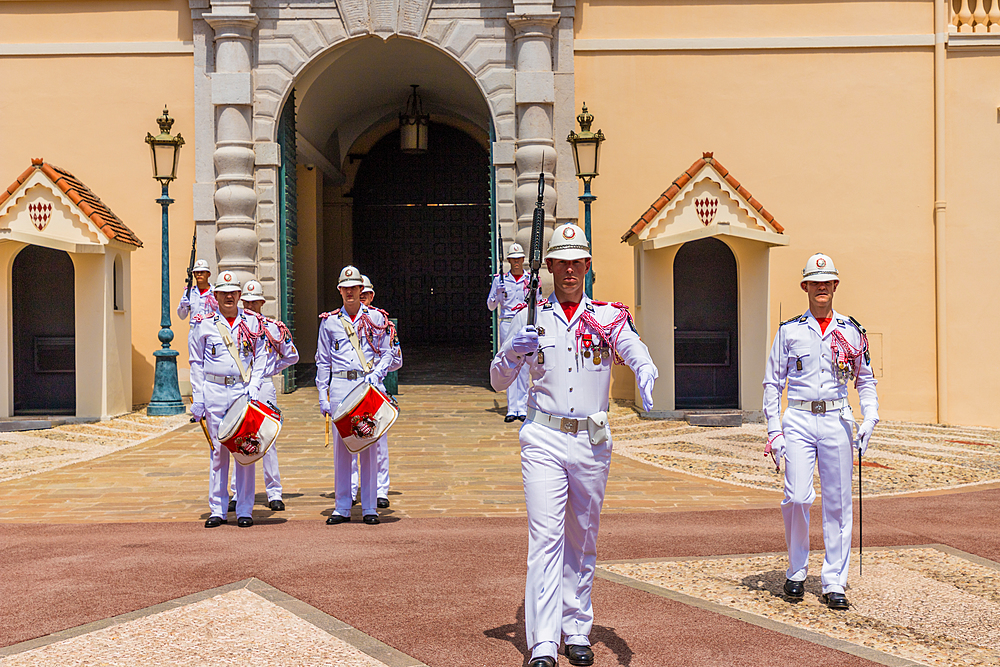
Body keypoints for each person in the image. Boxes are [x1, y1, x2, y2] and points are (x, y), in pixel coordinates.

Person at [490, 224, 658, 667]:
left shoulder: (607, 317)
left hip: (590, 439)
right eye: (560, 262)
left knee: (582, 538)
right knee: (546, 537)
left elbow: (632, 345)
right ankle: (543, 641)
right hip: (543, 435)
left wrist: (644, 367)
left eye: (576, 262)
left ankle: (576, 626)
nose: (569, 270)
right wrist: (512, 352)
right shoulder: (532, 319)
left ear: (587, 267)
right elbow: (497, 379)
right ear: (548, 268)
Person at [762, 253, 878, 610]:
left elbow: (866, 380)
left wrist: (870, 415)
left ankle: (834, 581)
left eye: (827, 282)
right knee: (797, 497)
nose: (822, 287)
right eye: (815, 282)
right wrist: (774, 430)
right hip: (797, 418)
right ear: (805, 287)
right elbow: (772, 383)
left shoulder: (851, 331)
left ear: (835, 286)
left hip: (837, 419)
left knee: (839, 503)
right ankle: (796, 570)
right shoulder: (789, 330)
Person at [316, 265, 396, 525]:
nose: (350, 292)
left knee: (369, 447)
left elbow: (388, 352)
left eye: (354, 288)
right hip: (340, 386)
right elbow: (323, 361)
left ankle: (370, 506)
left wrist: (378, 374)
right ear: (339, 290)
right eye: (345, 288)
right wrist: (322, 393)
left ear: (361, 290)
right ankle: (342, 506)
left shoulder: (376, 319)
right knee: (342, 450)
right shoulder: (329, 322)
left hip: (366, 385)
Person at [189, 271, 268, 528]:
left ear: (239, 295)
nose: (229, 297)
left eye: (233, 293)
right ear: (216, 295)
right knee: (218, 452)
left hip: (241, 392)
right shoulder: (204, 324)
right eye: (224, 293)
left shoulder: (253, 323)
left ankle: (244, 508)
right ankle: (218, 509)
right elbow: (196, 362)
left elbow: (262, 357)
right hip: (213, 391)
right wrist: (198, 397)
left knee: (245, 450)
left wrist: (255, 386)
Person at [227, 279, 299, 512]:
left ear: (261, 303)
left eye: (254, 302)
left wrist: (271, 369)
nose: (249, 307)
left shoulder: (272, 327)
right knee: (238, 436)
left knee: (268, 439)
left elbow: (292, 356)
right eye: (246, 302)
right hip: (240, 385)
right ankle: (237, 492)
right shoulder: (233, 327)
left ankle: (274, 491)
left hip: (264, 386)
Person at [349, 275, 402, 509]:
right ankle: (350, 489)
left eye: (365, 294)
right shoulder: (342, 320)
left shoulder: (382, 322)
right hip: (351, 388)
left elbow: (397, 358)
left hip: (374, 388)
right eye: (359, 294)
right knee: (349, 439)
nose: (362, 298)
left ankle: (381, 489)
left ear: (371, 296)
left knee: (378, 442)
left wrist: (379, 369)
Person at [488, 243, 530, 422]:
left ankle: (524, 407)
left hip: (524, 322)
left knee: (525, 365)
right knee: (509, 363)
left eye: (519, 259)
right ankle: (512, 408)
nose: (516, 262)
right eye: (513, 259)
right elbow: (491, 306)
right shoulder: (500, 280)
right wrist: (497, 293)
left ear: (523, 260)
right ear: (509, 261)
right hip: (507, 322)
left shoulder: (530, 279)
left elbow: (538, 301)